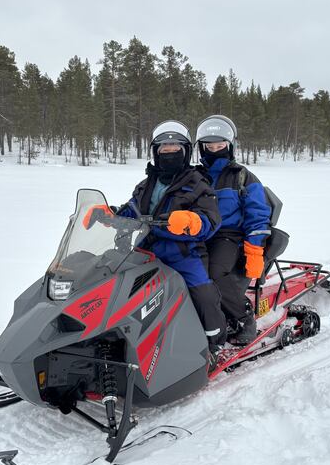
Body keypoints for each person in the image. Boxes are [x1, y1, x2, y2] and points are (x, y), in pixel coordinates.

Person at [115, 120, 228, 363]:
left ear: (185, 152)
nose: (169, 153)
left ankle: (215, 341)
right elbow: (132, 210)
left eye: (175, 148)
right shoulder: (146, 185)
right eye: (164, 149)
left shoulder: (198, 183)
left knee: (203, 294)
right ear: (155, 153)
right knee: (117, 287)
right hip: (146, 251)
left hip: (184, 252)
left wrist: (191, 221)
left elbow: (211, 219)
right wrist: (108, 214)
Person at [195, 115, 272, 345]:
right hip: (198, 233)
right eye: (210, 146)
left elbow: (258, 215)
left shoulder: (242, 176)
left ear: (229, 147)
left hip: (229, 235)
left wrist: (255, 250)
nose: (214, 150)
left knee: (213, 273)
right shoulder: (195, 176)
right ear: (202, 147)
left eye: (220, 145)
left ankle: (244, 316)